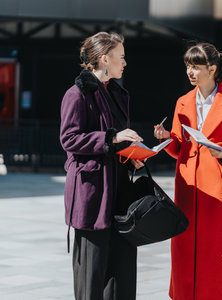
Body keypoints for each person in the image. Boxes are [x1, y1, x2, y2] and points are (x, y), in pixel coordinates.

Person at [154, 42, 222, 300]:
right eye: (188, 66)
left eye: (196, 67)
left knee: (220, 250)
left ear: (212, 69)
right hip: (188, 188)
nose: (190, 71)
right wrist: (166, 138)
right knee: (185, 247)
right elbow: (179, 148)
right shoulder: (183, 102)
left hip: (219, 189)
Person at [60, 32, 144, 300]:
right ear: (105, 59)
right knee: (92, 276)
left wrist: (133, 155)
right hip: (93, 195)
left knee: (122, 272)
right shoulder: (77, 94)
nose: (125, 62)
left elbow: (116, 143)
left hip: (120, 196)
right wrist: (113, 137)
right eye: (121, 57)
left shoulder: (116, 93)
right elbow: (69, 139)